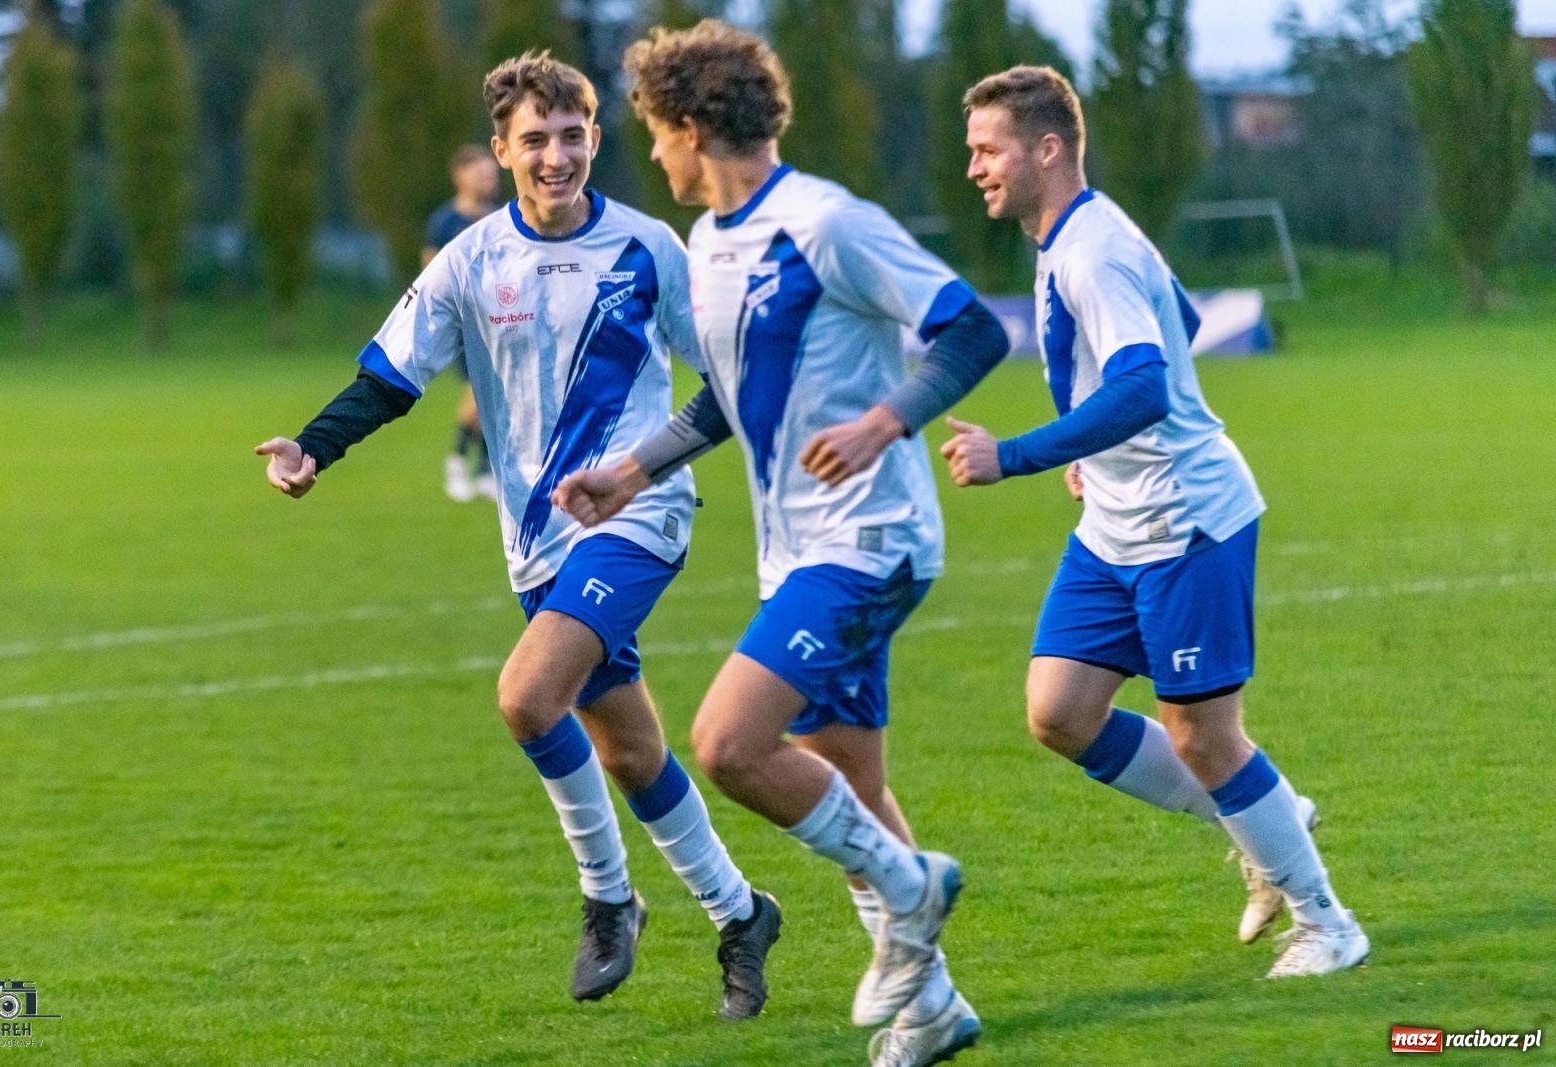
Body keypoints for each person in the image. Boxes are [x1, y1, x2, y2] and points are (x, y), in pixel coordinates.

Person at [255, 51, 782, 1019]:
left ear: (594, 139)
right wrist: (313, 448)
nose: (556, 155)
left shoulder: (651, 250)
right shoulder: (468, 260)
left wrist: (647, 466)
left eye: (573, 134)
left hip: (637, 516)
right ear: (499, 151)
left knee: (528, 696)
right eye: (534, 139)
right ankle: (741, 912)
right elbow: (390, 376)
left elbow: (728, 381)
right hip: (535, 537)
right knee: (628, 751)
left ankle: (608, 897)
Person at [554, 21, 1009, 1066]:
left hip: (871, 540)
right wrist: (633, 469)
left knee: (728, 743)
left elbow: (971, 328)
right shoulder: (711, 244)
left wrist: (885, 419)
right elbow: (730, 392)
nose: (652, 157)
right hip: (795, 549)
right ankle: (932, 1006)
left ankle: (913, 883)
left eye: (653, 135)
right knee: (845, 782)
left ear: (689, 124)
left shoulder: (828, 222)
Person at [942, 64, 1368, 978]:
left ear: (1046, 148)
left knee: (1203, 735)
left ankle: (1328, 921)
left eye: (988, 149)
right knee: (1059, 711)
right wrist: (1096, 458)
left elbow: (1144, 382)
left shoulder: (1091, 248)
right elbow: (1178, 316)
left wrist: (1019, 453)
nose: (973, 166)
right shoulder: (1068, 234)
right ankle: (1268, 814)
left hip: (1186, 523)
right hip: (1116, 521)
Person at [425, 144, 500, 503]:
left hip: (501, 322)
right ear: (461, 176)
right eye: (482, 173)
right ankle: (458, 460)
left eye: (492, 173)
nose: (489, 179)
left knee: (493, 396)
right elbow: (430, 273)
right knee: (478, 392)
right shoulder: (445, 222)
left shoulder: (502, 218)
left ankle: (484, 469)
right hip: (463, 323)